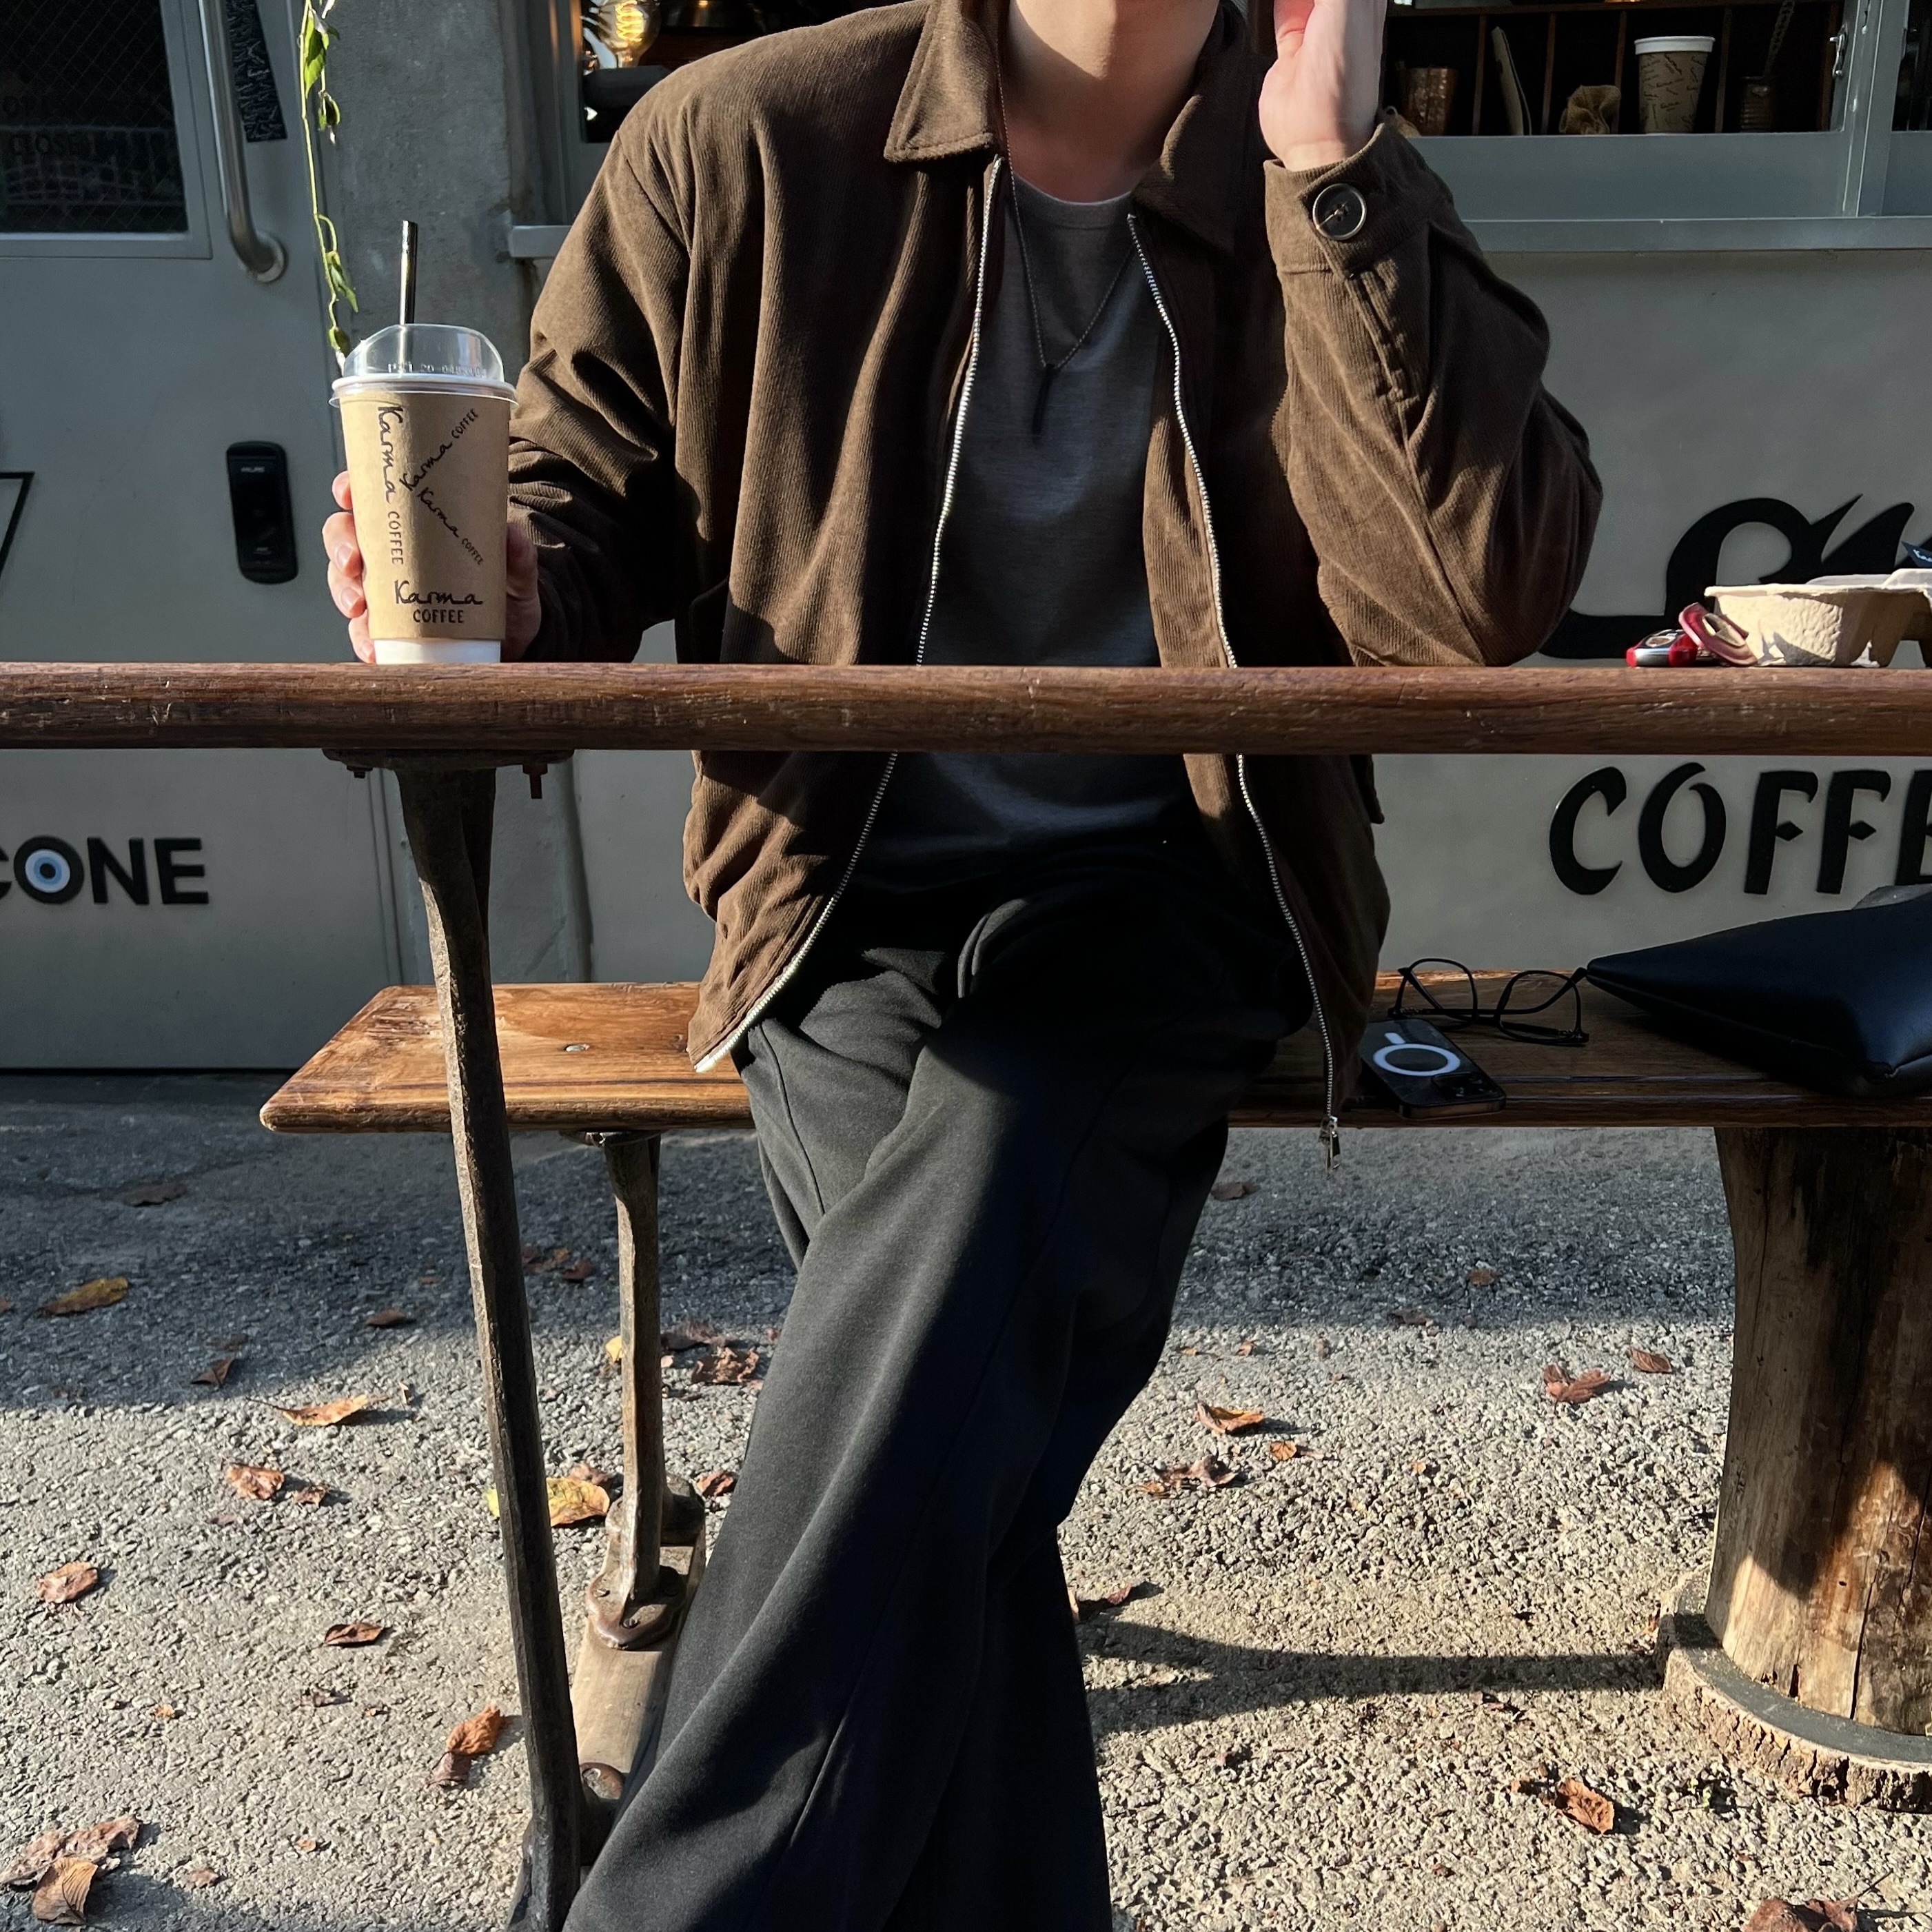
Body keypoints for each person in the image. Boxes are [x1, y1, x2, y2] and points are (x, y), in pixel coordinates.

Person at [324, 0, 1599, 1918]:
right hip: (840, 896)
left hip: (1181, 887)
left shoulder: (1315, 168)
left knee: (963, 1254)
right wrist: (502, 576)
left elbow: (1472, 600)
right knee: (943, 1455)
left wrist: (1330, 169)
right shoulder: (743, 142)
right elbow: (580, 496)